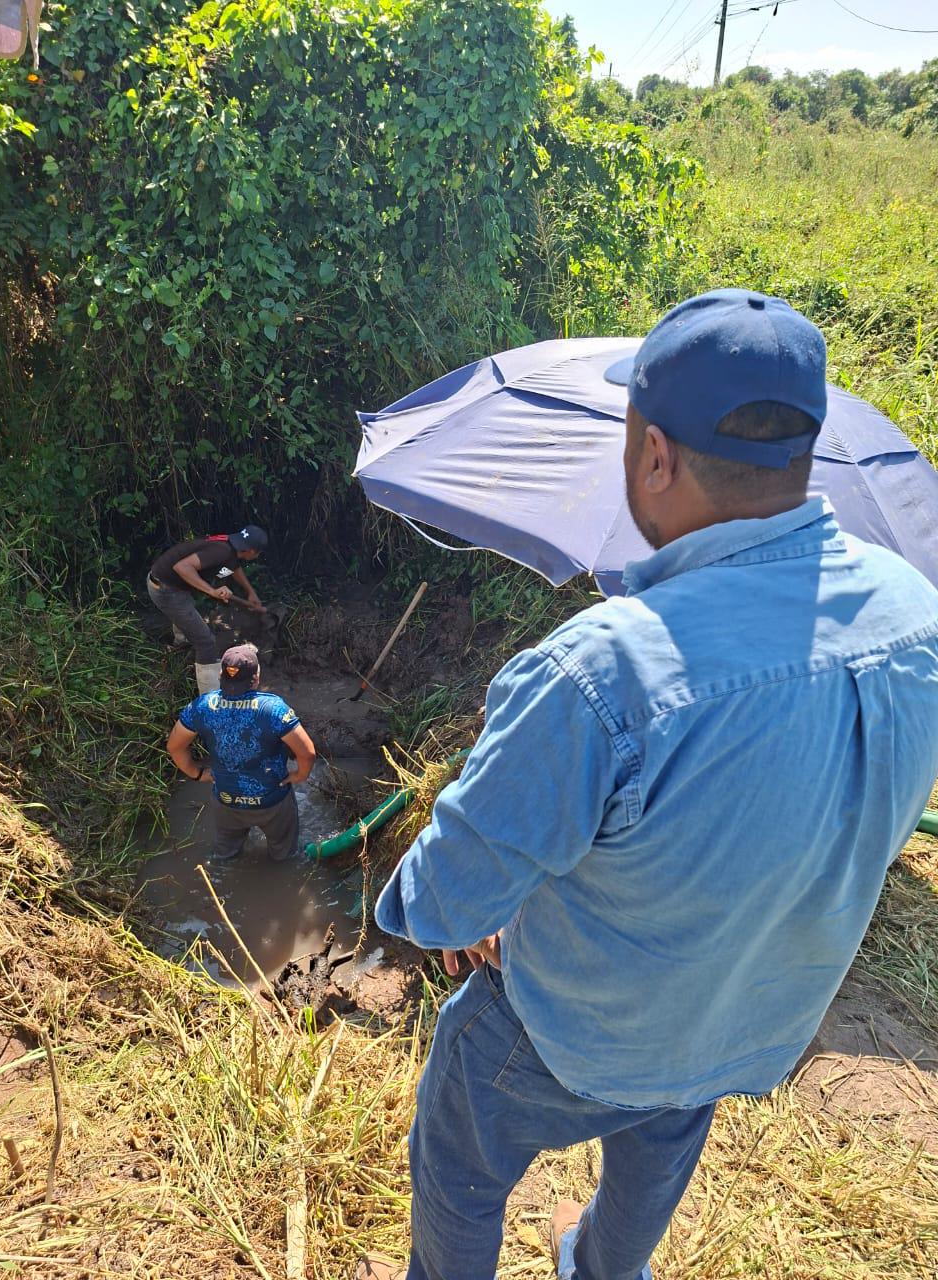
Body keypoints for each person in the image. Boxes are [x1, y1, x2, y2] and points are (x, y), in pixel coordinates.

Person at [358, 289, 938, 1280]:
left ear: (656, 456)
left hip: (564, 1030)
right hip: (738, 1021)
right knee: (652, 1166)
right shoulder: (915, 612)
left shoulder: (600, 671)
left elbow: (435, 902)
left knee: (457, 1158)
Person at [166, 643, 316, 863]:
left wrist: (197, 774)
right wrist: (299, 775)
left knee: (224, 857)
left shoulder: (202, 707)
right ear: (255, 678)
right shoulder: (272, 709)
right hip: (272, 801)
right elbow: (308, 753)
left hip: (227, 800)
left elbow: (174, 746)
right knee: (285, 856)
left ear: (221, 675)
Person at [148, 525, 269, 693]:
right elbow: (182, 567)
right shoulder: (221, 551)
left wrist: (250, 592)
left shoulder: (231, 547)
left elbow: (233, 567)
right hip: (166, 591)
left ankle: (180, 646)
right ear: (250, 551)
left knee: (187, 611)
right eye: (258, 552)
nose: (258, 556)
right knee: (206, 643)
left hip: (173, 587)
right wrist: (212, 591)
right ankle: (209, 698)